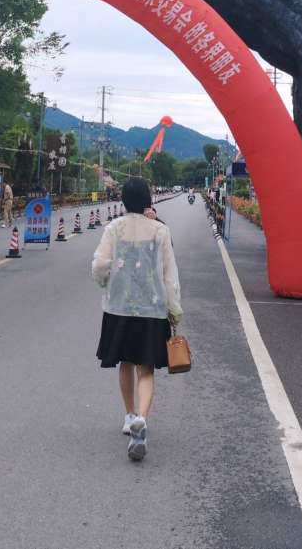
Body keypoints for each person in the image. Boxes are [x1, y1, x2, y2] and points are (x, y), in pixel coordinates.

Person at [92, 176, 182, 462]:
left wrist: (106, 282)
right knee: (146, 368)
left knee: (125, 363)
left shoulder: (114, 228)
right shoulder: (160, 230)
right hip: (152, 310)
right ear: (148, 200)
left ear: (123, 200)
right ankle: (142, 418)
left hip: (118, 308)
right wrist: (174, 309)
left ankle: (130, 415)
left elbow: (100, 266)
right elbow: (169, 274)